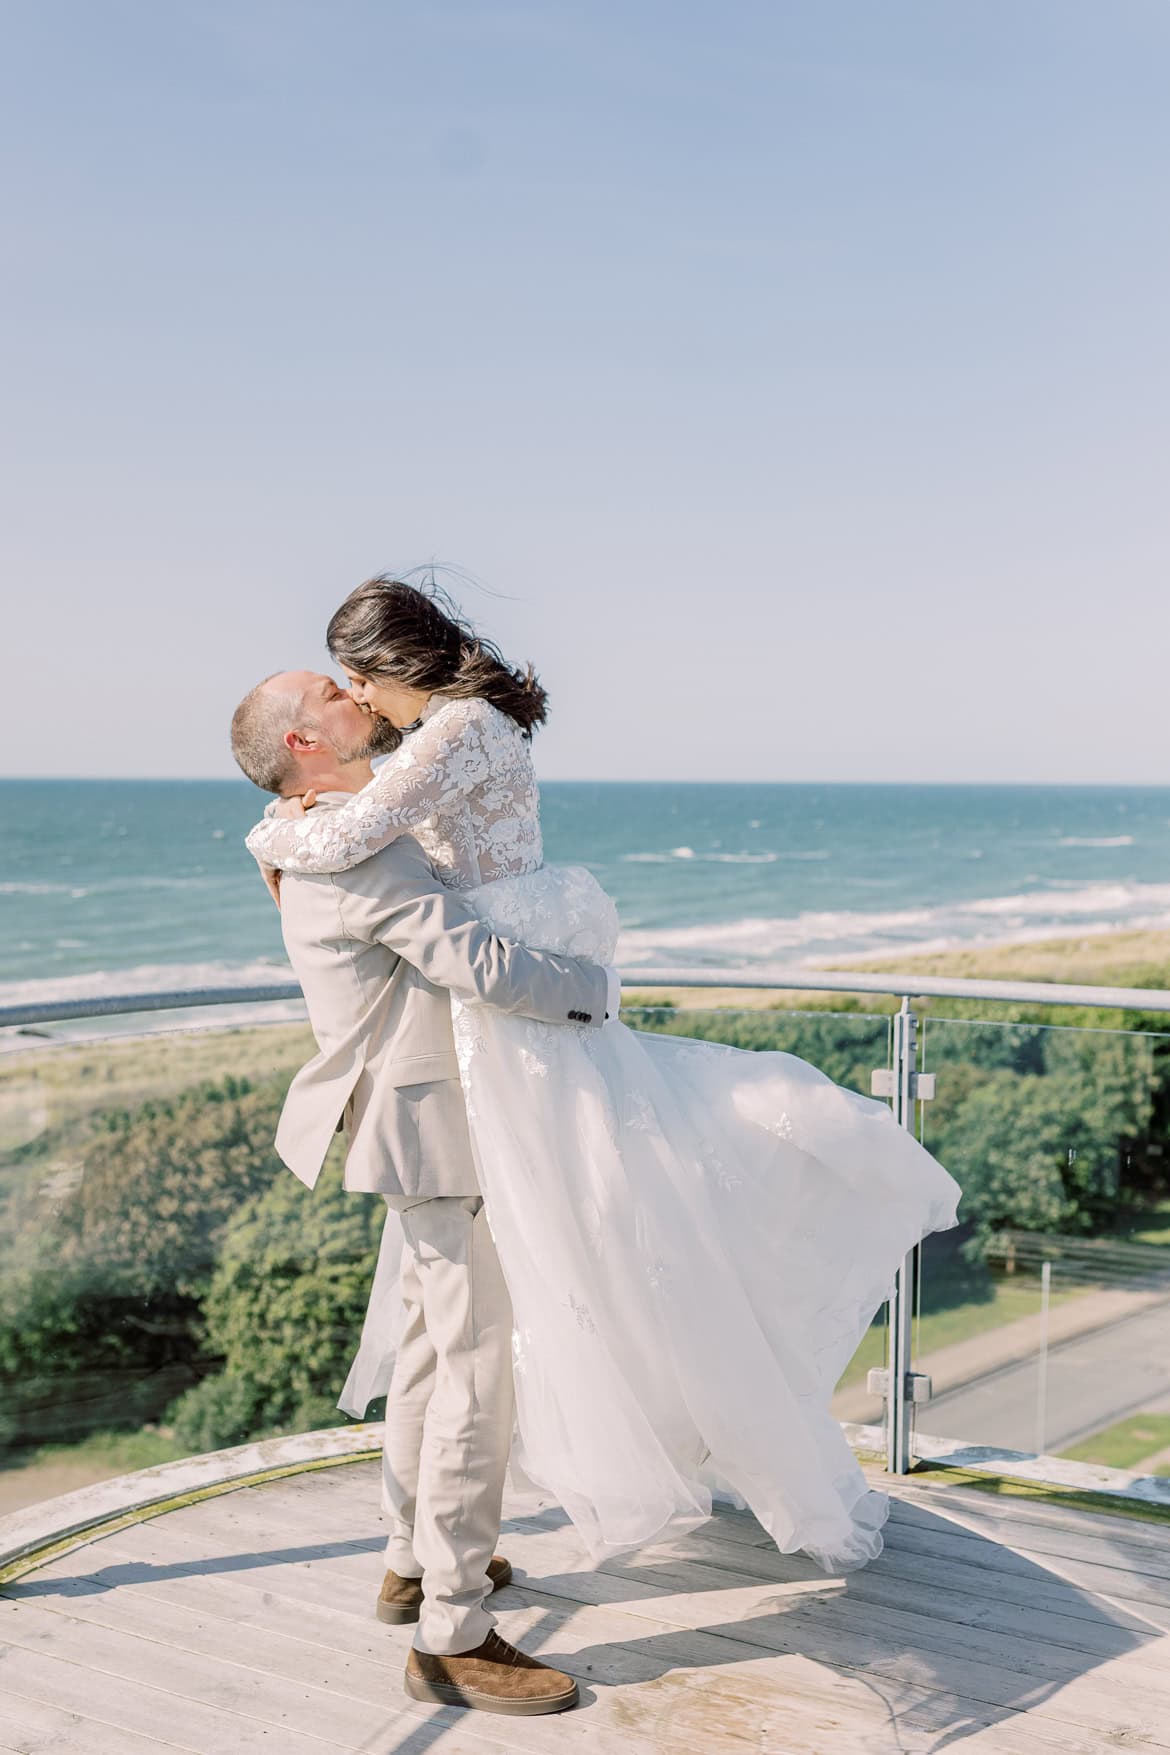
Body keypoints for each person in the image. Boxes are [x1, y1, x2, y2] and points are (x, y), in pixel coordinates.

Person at [246, 576, 962, 1584]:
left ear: (390, 665)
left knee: (532, 1290)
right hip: (477, 1045)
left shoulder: (459, 732)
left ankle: (434, 1562)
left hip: (513, 1025)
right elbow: (380, 849)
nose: (355, 700)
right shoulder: (438, 738)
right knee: (473, 1318)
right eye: (340, 690)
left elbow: (350, 838)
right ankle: (425, 1558)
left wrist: (270, 826)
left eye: (355, 678)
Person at [231, 668, 622, 1717]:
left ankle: (412, 1559)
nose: (356, 693)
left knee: (426, 1344)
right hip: (434, 1129)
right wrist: (596, 992)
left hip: (406, 1125)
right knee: (472, 1368)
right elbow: (479, 960)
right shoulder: (356, 850)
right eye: (329, 692)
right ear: (307, 743)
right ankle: (451, 1632)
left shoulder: (307, 831)